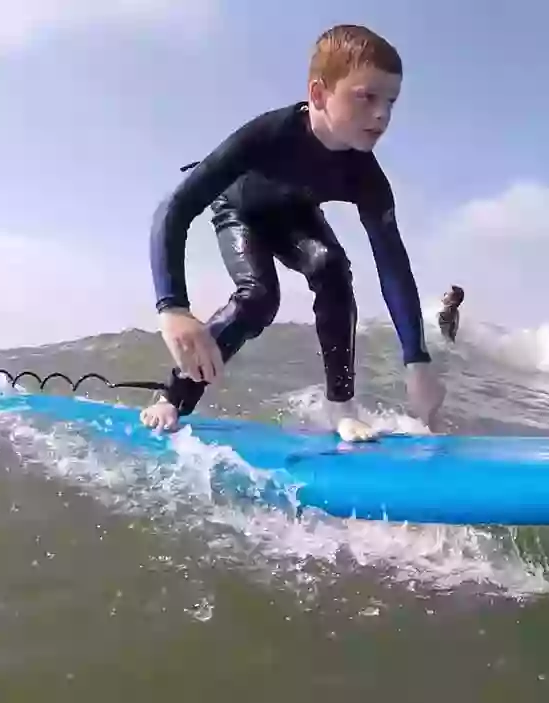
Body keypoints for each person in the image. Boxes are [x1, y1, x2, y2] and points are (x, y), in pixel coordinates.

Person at [139, 24, 444, 443]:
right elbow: (174, 209)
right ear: (319, 94)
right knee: (259, 297)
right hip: (240, 208)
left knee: (333, 268)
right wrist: (172, 307)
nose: (382, 115)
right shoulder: (267, 135)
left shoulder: (366, 175)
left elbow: (392, 262)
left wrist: (417, 361)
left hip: (294, 212)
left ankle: (341, 406)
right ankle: (172, 397)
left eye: (390, 101)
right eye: (367, 97)